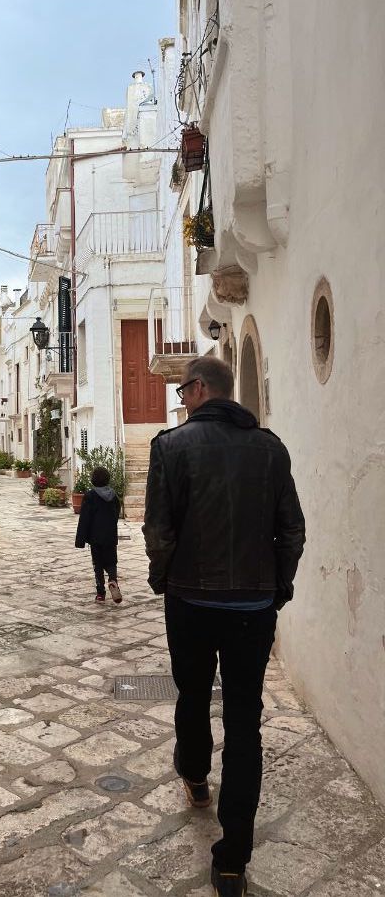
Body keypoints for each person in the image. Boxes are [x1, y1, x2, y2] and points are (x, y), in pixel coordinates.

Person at [143, 356, 305, 897]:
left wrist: (162, 579)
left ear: (199, 388)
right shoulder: (271, 448)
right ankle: (232, 860)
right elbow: (292, 530)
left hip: (190, 601)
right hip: (252, 609)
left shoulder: (170, 447)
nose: (180, 400)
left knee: (191, 694)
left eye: (183, 390)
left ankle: (194, 777)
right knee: (244, 722)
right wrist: (275, 590)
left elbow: (159, 530)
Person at [75, 466, 123, 604]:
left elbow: (85, 519)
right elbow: (116, 514)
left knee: (98, 565)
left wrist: (80, 540)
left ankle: (101, 593)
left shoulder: (90, 496)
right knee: (112, 561)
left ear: (93, 480)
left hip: (95, 538)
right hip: (110, 537)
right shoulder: (114, 496)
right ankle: (113, 581)